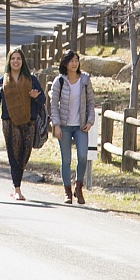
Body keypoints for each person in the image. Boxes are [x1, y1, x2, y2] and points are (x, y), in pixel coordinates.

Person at [0, 47, 46, 202]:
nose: (16, 61)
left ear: (23, 62)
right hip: (9, 122)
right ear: (9, 61)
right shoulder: (2, 80)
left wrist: (35, 97)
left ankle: (17, 185)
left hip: (29, 122)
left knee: (24, 155)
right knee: (14, 155)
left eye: (18, 59)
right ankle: (17, 189)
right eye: (13, 58)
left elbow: (43, 101)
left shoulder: (31, 79)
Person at [48, 49, 95, 205]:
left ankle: (78, 187)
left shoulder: (85, 80)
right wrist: (56, 125)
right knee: (66, 159)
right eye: (71, 61)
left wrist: (90, 120)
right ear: (65, 64)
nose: (74, 63)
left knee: (82, 156)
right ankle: (67, 192)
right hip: (64, 126)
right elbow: (53, 105)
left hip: (81, 126)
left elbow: (90, 102)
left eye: (76, 60)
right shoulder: (59, 81)